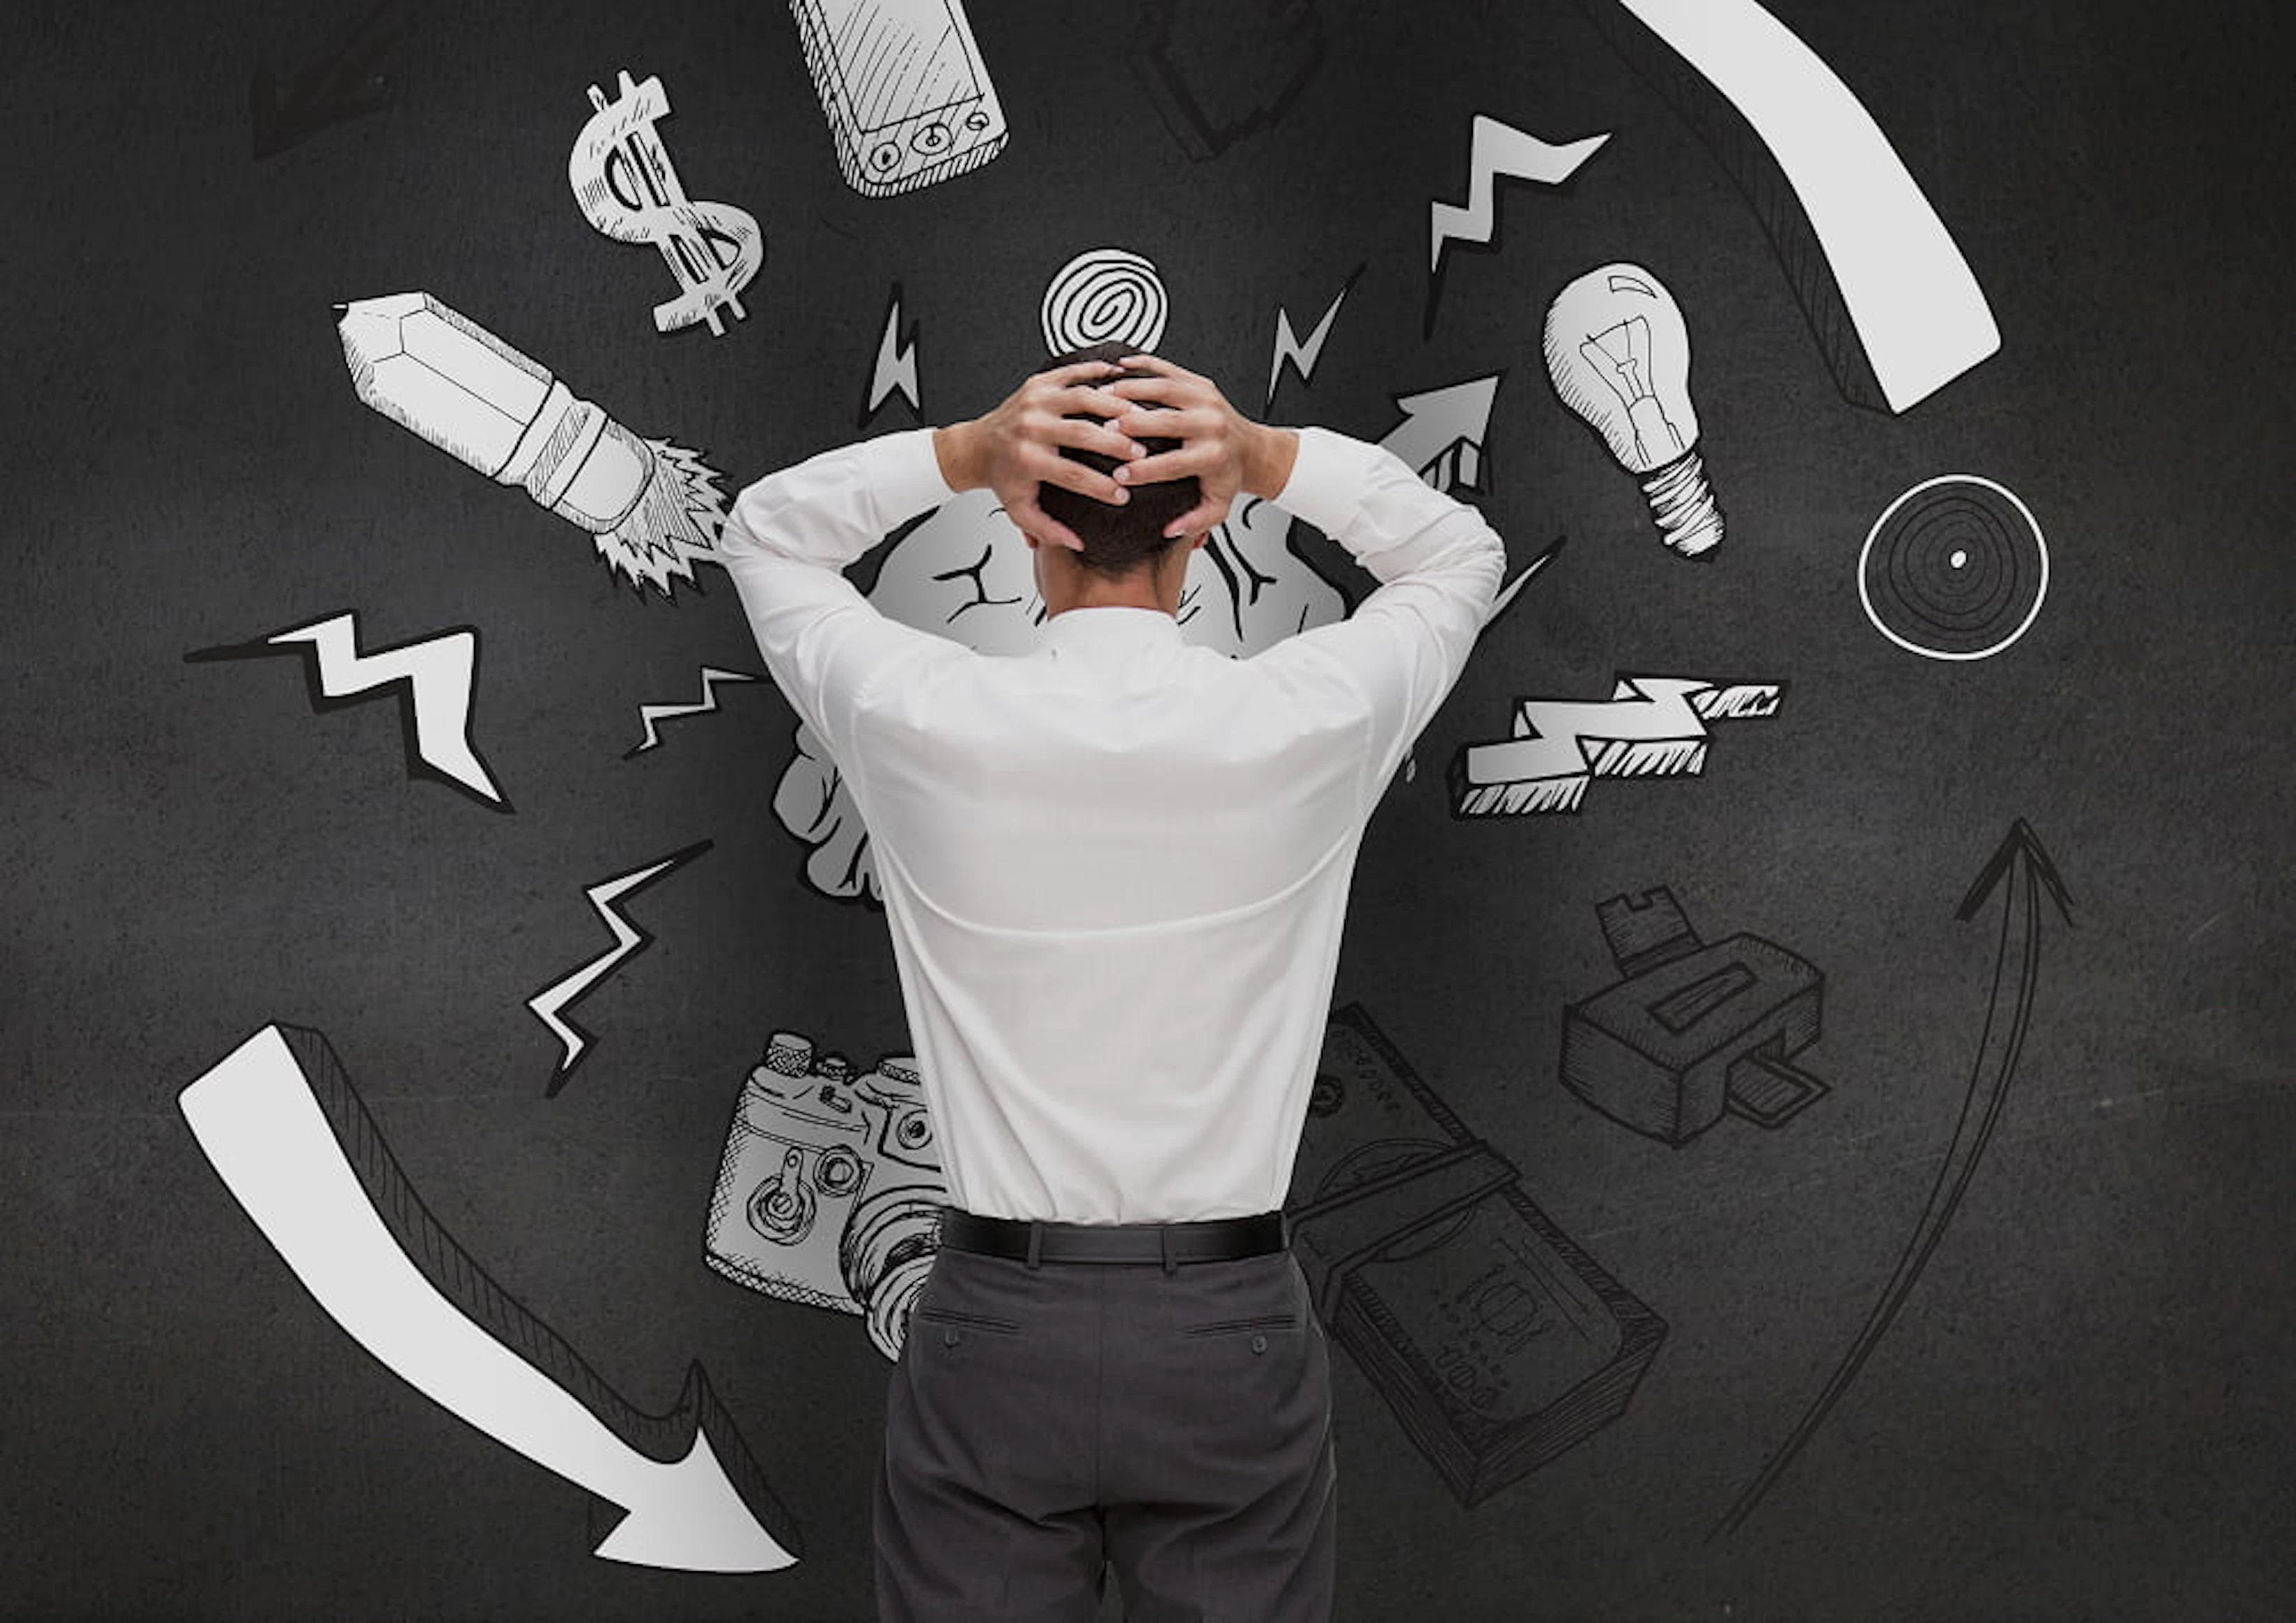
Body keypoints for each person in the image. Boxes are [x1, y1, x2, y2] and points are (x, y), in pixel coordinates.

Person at [715, 342, 1506, 1622]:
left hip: (993, 1324)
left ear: (1031, 532)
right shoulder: (1304, 719)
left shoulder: (925, 716)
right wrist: (1264, 457)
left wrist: (967, 450)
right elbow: (1460, 555)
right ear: (1197, 536)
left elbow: (766, 535)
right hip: (1228, 1329)